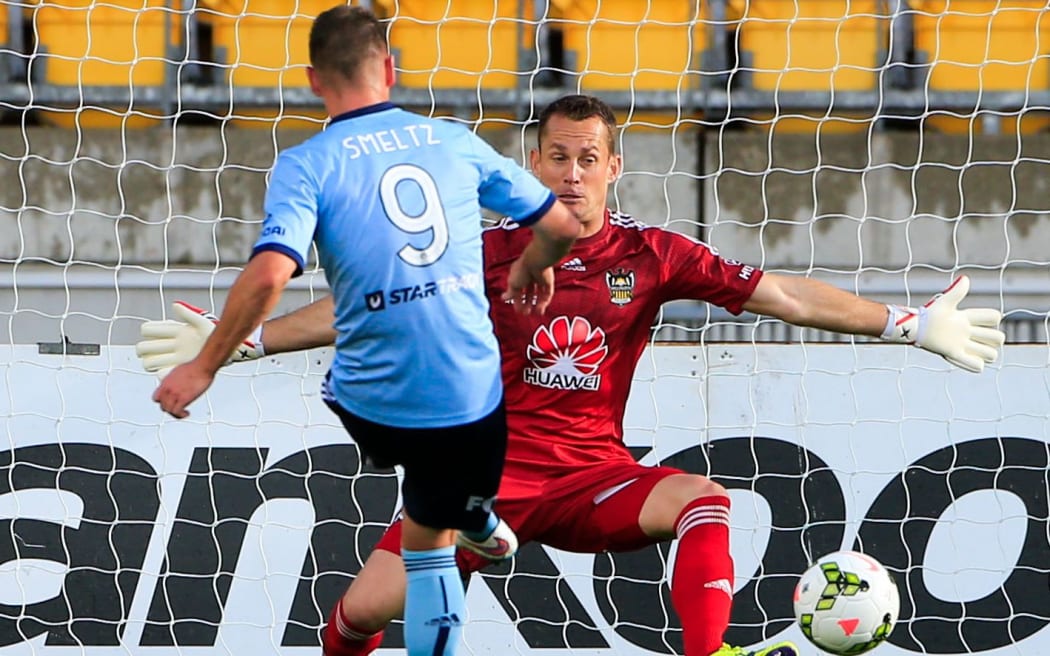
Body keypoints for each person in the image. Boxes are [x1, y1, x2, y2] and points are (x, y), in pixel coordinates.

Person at [139, 95, 1005, 656]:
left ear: (614, 167)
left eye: (589, 157)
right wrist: (242, 340)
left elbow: (784, 295)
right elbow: (361, 309)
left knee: (703, 499)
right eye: (557, 157)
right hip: (485, 487)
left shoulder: (655, 255)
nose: (574, 172)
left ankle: (712, 655)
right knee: (359, 617)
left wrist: (909, 323)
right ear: (534, 166)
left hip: (594, 478)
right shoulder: (485, 252)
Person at [147, 7, 581, 656]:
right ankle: (468, 515)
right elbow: (561, 226)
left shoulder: (306, 165)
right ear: (392, 69)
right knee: (429, 543)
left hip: (371, 409)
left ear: (313, 81)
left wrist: (207, 364)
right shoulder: (453, 140)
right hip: (471, 403)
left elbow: (269, 274)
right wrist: (531, 265)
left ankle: (469, 514)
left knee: (420, 482)